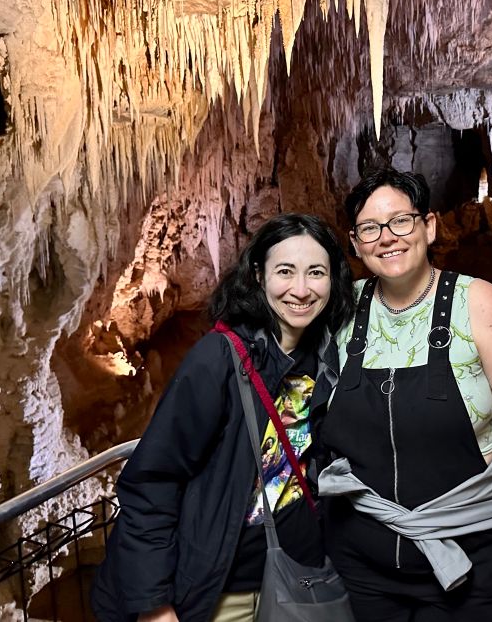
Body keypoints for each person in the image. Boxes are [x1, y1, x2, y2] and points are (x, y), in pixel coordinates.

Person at [91, 213, 354, 622]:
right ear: (257, 275)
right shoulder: (218, 360)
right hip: (218, 587)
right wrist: (154, 605)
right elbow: (154, 480)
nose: (301, 290)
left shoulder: (326, 357)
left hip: (298, 574)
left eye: (316, 273)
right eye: (285, 271)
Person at [318, 167, 492, 622]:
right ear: (355, 242)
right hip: (360, 566)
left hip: (468, 564)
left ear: (428, 226)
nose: (386, 238)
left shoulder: (478, 304)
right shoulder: (342, 307)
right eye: (370, 228)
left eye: (400, 221)